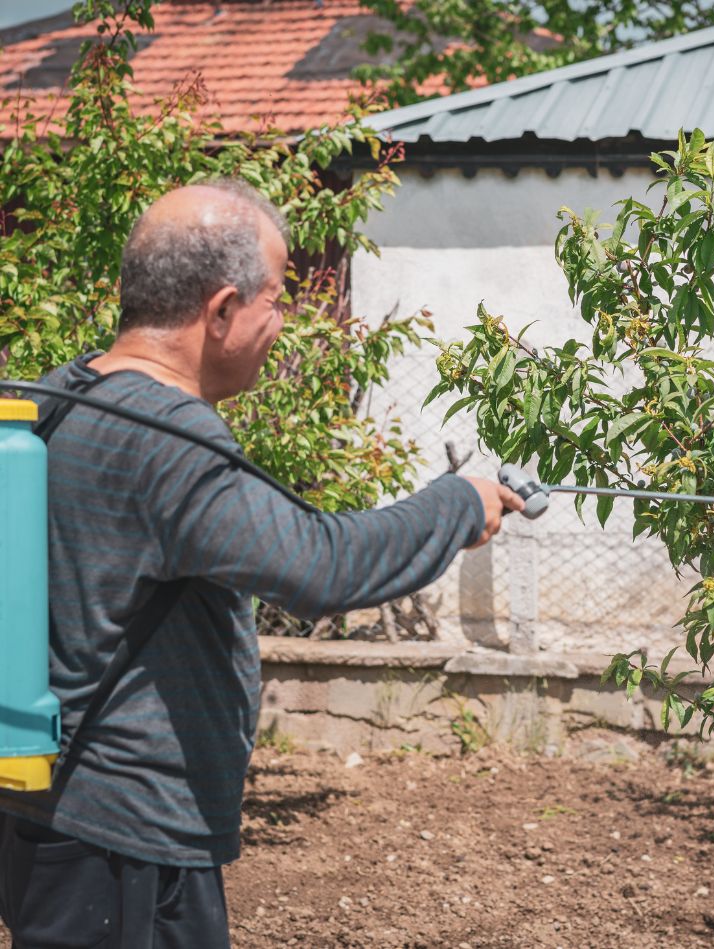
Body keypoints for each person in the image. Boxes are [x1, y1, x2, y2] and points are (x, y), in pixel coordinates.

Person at [0, 178, 522, 948]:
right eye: (275, 300)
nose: (282, 325)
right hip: (126, 841)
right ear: (219, 311)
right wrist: (456, 503)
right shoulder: (168, 437)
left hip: (53, 821)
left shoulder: (61, 396)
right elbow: (321, 565)